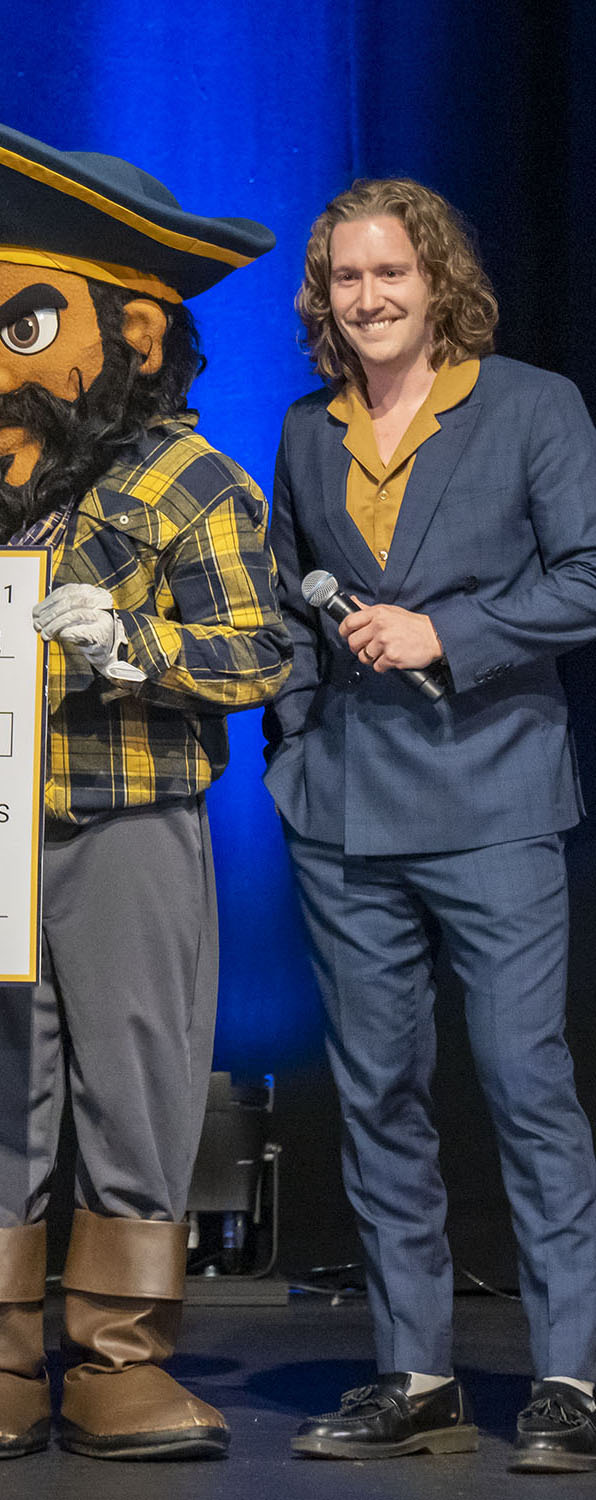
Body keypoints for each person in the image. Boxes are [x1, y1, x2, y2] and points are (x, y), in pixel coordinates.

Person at [0, 113, 289, 1462]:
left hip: (127, 824)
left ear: (140, 337)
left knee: (136, 1081)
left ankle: (116, 1352)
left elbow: (262, 648)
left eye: (23, 330)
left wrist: (134, 646)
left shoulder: (194, 482)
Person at [266, 179, 596, 1472]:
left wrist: (447, 631)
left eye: (390, 272)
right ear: (326, 298)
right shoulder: (307, 428)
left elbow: (587, 575)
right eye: (347, 279)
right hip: (347, 811)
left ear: (436, 278)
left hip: (495, 794)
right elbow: (294, 599)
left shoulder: (531, 407)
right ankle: (415, 1373)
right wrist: (292, 743)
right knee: (378, 1093)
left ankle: (569, 1373)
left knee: (526, 1085)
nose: (370, 296)